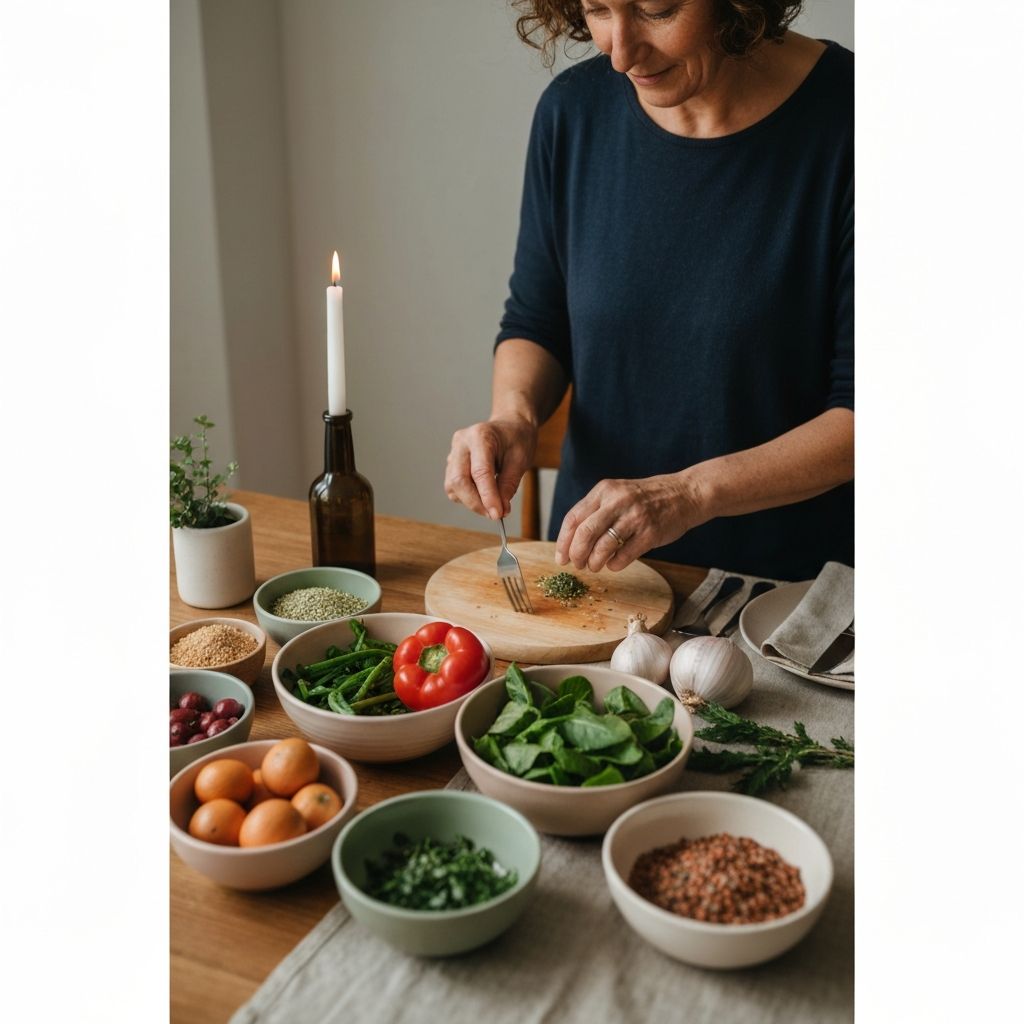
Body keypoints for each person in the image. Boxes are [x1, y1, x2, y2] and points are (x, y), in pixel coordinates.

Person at [443, 0, 853, 582]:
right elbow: (538, 321)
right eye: (598, 10)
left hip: (785, 600)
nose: (620, 52)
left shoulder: (861, 122)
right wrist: (514, 417)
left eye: (658, 10)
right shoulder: (572, 112)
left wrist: (687, 493)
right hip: (598, 577)